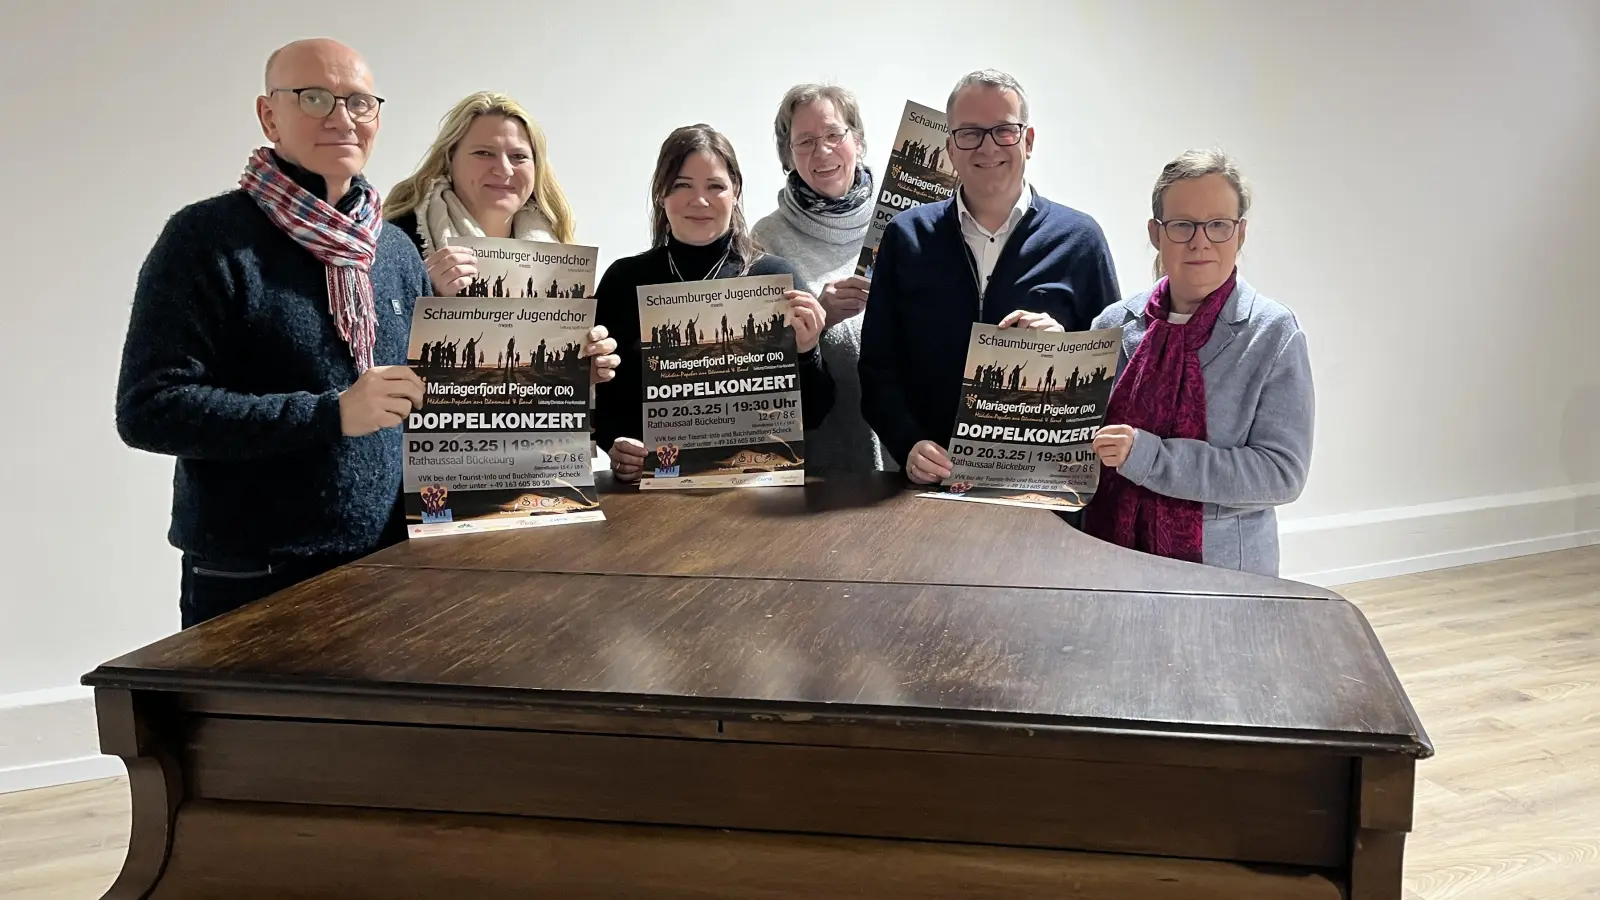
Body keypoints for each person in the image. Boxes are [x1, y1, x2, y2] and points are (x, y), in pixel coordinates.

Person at [115, 38, 428, 629]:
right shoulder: (205, 238)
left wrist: (565, 372)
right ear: (269, 116)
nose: (342, 118)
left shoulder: (392, 249)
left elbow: (426, 391)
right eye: (314, 98)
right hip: (250, 576)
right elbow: (150, 409)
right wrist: (331, 414)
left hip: (385, 564)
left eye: (359, 102)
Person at [858, 69, 1121, 487]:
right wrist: (908, 444)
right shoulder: (906, 237)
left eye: (1004, 130)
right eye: (970, 133)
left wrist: (1066, 348)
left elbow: (1115, 370)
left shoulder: (1081, 240)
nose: (988, 146)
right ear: (950, 147)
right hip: (931, 487)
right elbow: (877, 368)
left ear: (1028, 141)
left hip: (1040, 490)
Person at [1083, 149, 1313, 577]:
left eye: (1218, 225)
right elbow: (1076, 446)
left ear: (1240, 233)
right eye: (1183, 225)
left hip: (1222, 577)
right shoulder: (1112, 324)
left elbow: (1281, 474)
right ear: (1156, 233)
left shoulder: (1273, 334)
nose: (1200, 241)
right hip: (1110, 559)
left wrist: (1150, 458)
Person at [593, 124, 834, 481]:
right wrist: (617, 445)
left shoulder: (774, 278)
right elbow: (603, 401)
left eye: (715, 186)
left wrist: (807, 351)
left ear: (736, 191)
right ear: (660, 193)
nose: (700, 200)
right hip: (654, 491)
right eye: (682, 185)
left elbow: (815, 413)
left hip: (757, 491)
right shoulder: (623, 281)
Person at [385, 92, 618, 385]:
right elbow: (369, 359)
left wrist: (580, 370)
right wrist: (423, 295)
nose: (504, 169)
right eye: (484, 153)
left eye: (519, 156)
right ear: (449, 160)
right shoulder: (397, 242)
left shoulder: (561, 255)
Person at [751, 84, 884, 474]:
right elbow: (759, 368)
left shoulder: (904, 222)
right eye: (805, 141)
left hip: (913, 455)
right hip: (823, 469)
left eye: (833, 135)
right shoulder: (765, 240)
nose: (822, 151)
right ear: (788, 156)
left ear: (858, 141)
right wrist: (819, 319)